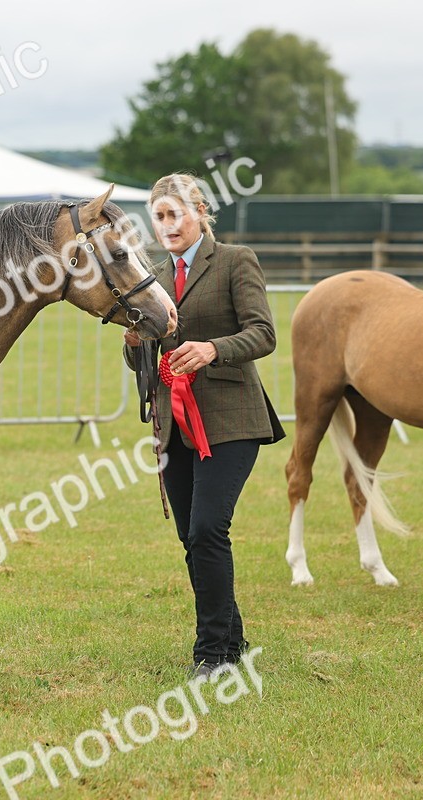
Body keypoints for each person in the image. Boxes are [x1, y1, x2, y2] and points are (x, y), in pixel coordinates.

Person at [123, 173, 285, 678]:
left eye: (175, 214)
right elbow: (147, 358)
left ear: (199, 211)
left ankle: (211, 654)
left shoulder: (236, 261)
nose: (166, 225)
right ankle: (232, 641)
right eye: (159, 216)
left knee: (208, 529)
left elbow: (263, 333)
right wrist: (134, 346)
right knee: (193, 539)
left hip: (231, 420)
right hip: (174, 424)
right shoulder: (150, 274)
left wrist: (214, 349)